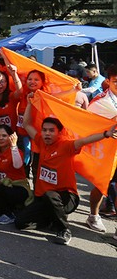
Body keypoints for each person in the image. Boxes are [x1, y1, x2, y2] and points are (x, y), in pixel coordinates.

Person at [15, 96, 117, 245]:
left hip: (67, 198)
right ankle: (51, 218)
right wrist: (30, 103)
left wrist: (105, 134)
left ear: (59, 132)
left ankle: (64, 229)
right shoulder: (40, 141)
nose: (47, 133)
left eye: (51, 130)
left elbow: (84, 140)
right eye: (44, 130)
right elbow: (26, 123)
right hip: (44, 198)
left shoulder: (66, 146)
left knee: (51, 195)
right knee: (20, 223)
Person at [82, 63, 117, 235]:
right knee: (102, 185)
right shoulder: (100, 101)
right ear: (108, 82)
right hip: (105, 149)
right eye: (116, 81)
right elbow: (88, 125)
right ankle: (93, 215)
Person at [0, 125, 32, 225]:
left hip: (17, 189)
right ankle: (13, 209)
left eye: (4, 136)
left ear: (11, 137)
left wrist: (13, 146)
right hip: (3, 188)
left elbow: (17, 165)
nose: (0, 138)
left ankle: (10, 214)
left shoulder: (16, 151)